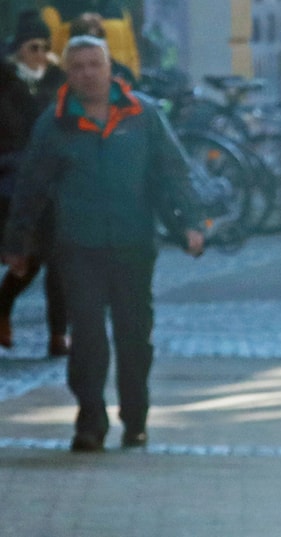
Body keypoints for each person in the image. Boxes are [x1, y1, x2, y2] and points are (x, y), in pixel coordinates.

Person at [3, 36, 205, 452]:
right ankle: (90, 422)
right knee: (88, 337)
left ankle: (135, 418)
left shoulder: (142, 114)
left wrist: (190, 222)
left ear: (110, 67)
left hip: (133, 243)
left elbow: (173, 170)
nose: (88, 73)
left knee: (134, 336)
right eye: (78, 66)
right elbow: (31, 187)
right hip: (78, 245)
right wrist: (17, 243)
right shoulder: (55, 122)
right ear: (68, 73)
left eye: (95, 64)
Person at [0, 9, 69, 356]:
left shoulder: (58, 81)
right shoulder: (5, 82)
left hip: (54, 183)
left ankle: (58, 333)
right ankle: (3, 307)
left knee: (58, 259)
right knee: (26, 258)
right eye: (33, 47)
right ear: (19, 50)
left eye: (45, 47)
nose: (40, 54)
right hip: (12, 186)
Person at [41, 0, 141, 78]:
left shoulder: (118, 10)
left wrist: (133, 78)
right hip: (78, 87)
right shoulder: (55, 11)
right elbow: (51, 56)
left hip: (121, 84)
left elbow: (132, 53)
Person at [69, 11, 137, 87]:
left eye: (94, 40)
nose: (88, 73)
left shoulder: (123, 74)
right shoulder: (64, 77)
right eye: (82, 43)